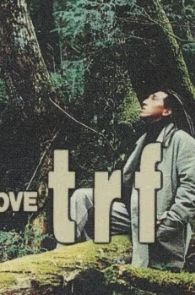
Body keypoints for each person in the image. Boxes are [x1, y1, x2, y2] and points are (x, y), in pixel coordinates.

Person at [68, 89, 195, 269]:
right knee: (82, 197)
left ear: (167, 111)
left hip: (157, 222)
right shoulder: (143, 139)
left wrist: (168, 224)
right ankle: (63, 255)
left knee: (143, 268)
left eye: (153, 98)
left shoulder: (183, 141)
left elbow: (191, 190)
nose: (145, 101)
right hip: (131, 213)